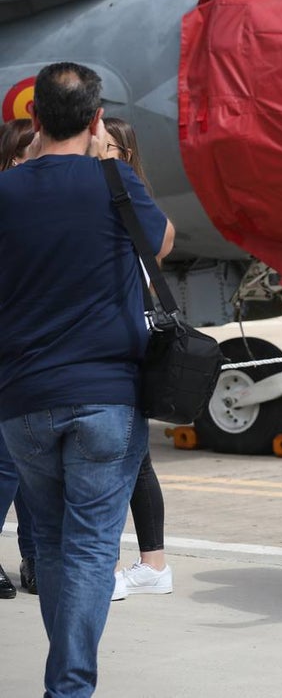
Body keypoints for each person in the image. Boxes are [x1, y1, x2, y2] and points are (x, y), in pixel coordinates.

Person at [0, 62, 175, 696]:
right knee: (90, 549)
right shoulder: (114, 179)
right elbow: (161, 242)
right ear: (97, 119)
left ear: (35, 118)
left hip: (23, 398)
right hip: (106, 395)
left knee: (48, 541)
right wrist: (109, 163)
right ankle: (68, 686)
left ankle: (64, 680)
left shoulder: (8, 190)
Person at [100, 118, 174, 600]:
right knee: (136, 460)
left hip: (127, 348)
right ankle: (152, 564)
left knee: (125, 460)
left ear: (122, 156)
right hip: (129, 347)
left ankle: (137, 565)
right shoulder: (126, 203)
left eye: (104, 146)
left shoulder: (123, 201)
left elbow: (161, 245)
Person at [0, 118, 39, 599]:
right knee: (8, 461)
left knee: (34, 464)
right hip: (10, 346)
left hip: (36, 348)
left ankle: (35, 559)